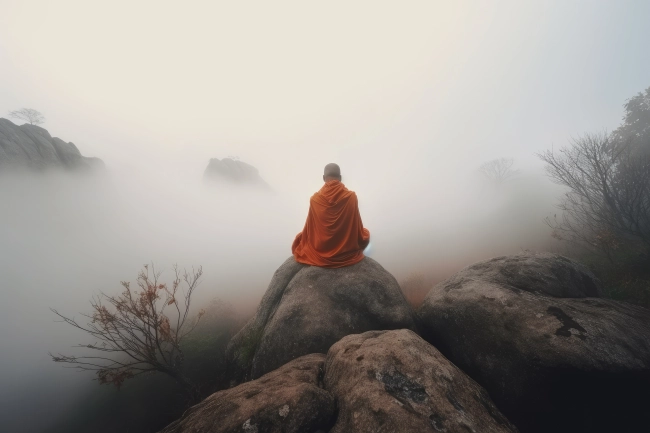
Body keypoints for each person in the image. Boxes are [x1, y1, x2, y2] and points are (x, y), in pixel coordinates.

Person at [292, 163, 370, 267]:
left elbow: (309, 230)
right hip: (346, 251)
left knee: (301, 238)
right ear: (340, 178)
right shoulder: (351, 197)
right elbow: (357, 228)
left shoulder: (315, 199)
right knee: (365, 232)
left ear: (324, 178)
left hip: (320, 250)